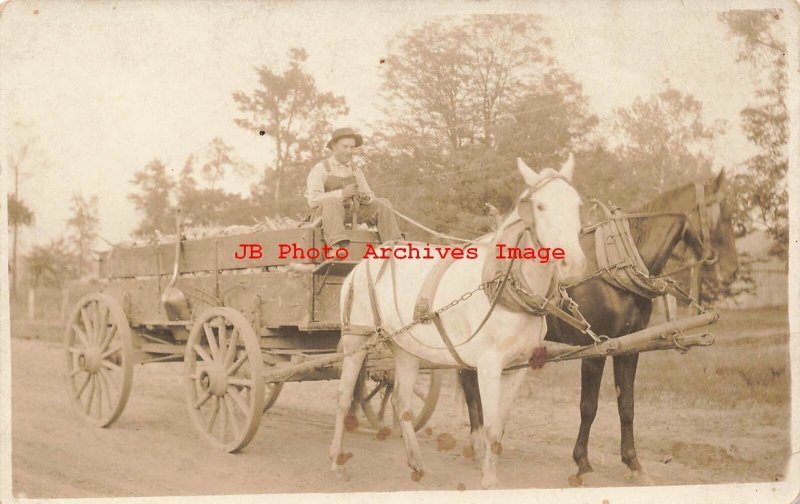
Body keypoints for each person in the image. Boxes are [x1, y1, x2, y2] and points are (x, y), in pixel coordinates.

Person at [306, 127, 403, 246]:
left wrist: (366, 198)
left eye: (352, 147)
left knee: (382, 203)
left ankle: (394, 243)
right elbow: (313, 201)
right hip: (326, 217)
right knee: (331, 201)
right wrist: (342, 194)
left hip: (352, 214)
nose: (349, 151)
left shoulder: (355, 170)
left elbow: (370, 195)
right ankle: (337, 246)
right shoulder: (321, 169)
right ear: (334, 146)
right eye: (345, 146)